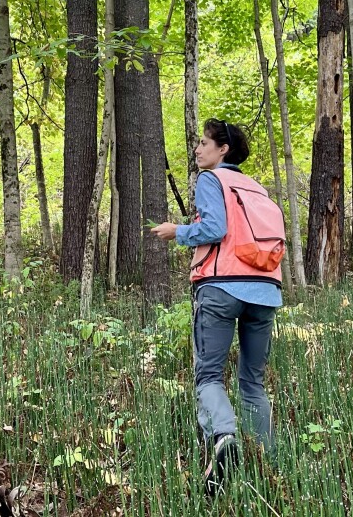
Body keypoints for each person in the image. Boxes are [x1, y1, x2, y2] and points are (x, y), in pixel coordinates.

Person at [151, 118, 285, 497]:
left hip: (221, 287)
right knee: (253, 382)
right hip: (266, 291)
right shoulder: (257, 188)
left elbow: (214, 229)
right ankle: (267, 459)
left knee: (208, 376)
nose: (197, 149)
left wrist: (176, 232)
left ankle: (223, 437)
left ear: (222, 149)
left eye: (204, 143)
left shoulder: (213, 180)